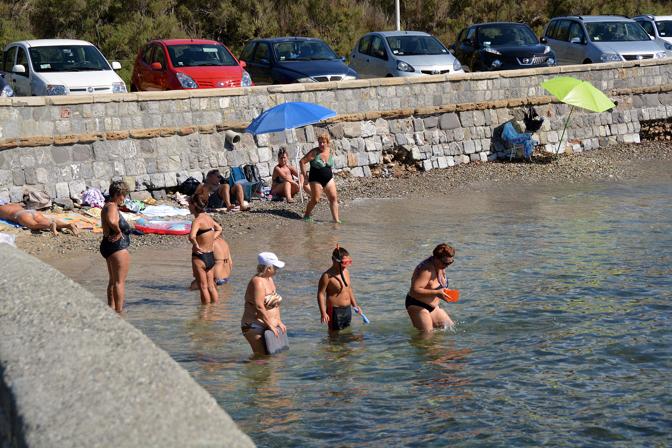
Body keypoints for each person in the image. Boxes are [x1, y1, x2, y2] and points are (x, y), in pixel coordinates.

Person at [241, 252, 287, 355]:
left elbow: (275, 303)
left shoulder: (269, 279)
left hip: (268, 324)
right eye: (275, 267)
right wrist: (270, 324)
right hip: (254, 326)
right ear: (268, 268)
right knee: (261, 358)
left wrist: (278, 321)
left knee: (270, 359)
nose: (277, 270)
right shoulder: (257, 282)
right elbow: (259, 306)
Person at [405, 243, 456, 332]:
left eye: (450, 262)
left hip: (433, 307)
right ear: (436, 258)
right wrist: (437, 293)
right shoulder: (426, 270)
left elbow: (437, 286)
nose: (447, 265)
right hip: (418, 305)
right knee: (428, 337)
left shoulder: (441, 266)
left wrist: (444, 293)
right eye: (445, 263)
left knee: (451, 328)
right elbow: (414, 290)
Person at [100, 181, 132, 313]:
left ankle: (111, 309)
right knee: (120, 282)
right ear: (118, 194)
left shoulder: (107, 206)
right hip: (117, 247)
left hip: (107, 245)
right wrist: (119, 231)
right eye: (123, 195)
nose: (124, 198)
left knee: (113, 281)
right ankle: (119, 313)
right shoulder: (112, 206)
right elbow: (112, 221)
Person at [189, 185, 223, 305]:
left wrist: (195, 243)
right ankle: (215, 309)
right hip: (210, 256)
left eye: (189, 204)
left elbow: (191, 236)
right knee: (211, 286)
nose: (188, 207)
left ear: (194, 205)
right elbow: (219, 228)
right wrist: (212, 238)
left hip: (200, 257)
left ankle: (205, 313)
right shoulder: (208, 218)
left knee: (203, 287)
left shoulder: (197, 220)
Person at [317, 245, 363, 333]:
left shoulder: (346, 272)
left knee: (347, 333)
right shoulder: (327, 276)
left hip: (347, 309)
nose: (345, 266)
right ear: (334, 260)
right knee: (334, 336)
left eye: (348, 262)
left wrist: (355, 306)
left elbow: (349, 289)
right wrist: (323, 312)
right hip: (334, 311)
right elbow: (321, 294)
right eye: (344, 263)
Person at [299, 133, 340, 223]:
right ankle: (306, 215)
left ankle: (336, 220)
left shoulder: (330, 151)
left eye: (323, 142)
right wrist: (305, 177)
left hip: (328, 179)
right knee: (315, 199)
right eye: (319, 142)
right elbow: (302, 162)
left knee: (333, 197)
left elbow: (328, 165)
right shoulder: (314, 152)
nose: (321, 144)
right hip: (315, 179)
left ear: (327, 143)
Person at [0, 201, 80, 236]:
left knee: (34, 225)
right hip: (31, 211)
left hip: (20, 215)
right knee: (45, 220)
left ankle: (50, 225)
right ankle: (68, 225)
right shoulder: (13, 205)